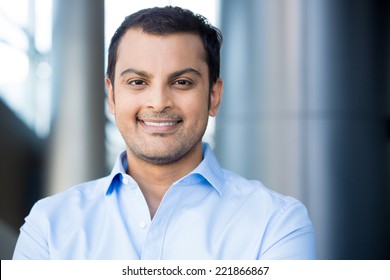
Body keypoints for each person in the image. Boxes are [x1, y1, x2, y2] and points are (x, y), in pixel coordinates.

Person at [13, 6, 316, 260]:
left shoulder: (276, 224)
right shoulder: (49, 225)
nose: (158, 102)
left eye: (182, 82)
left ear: (214, 96)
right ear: (112, 96)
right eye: (137, 82)